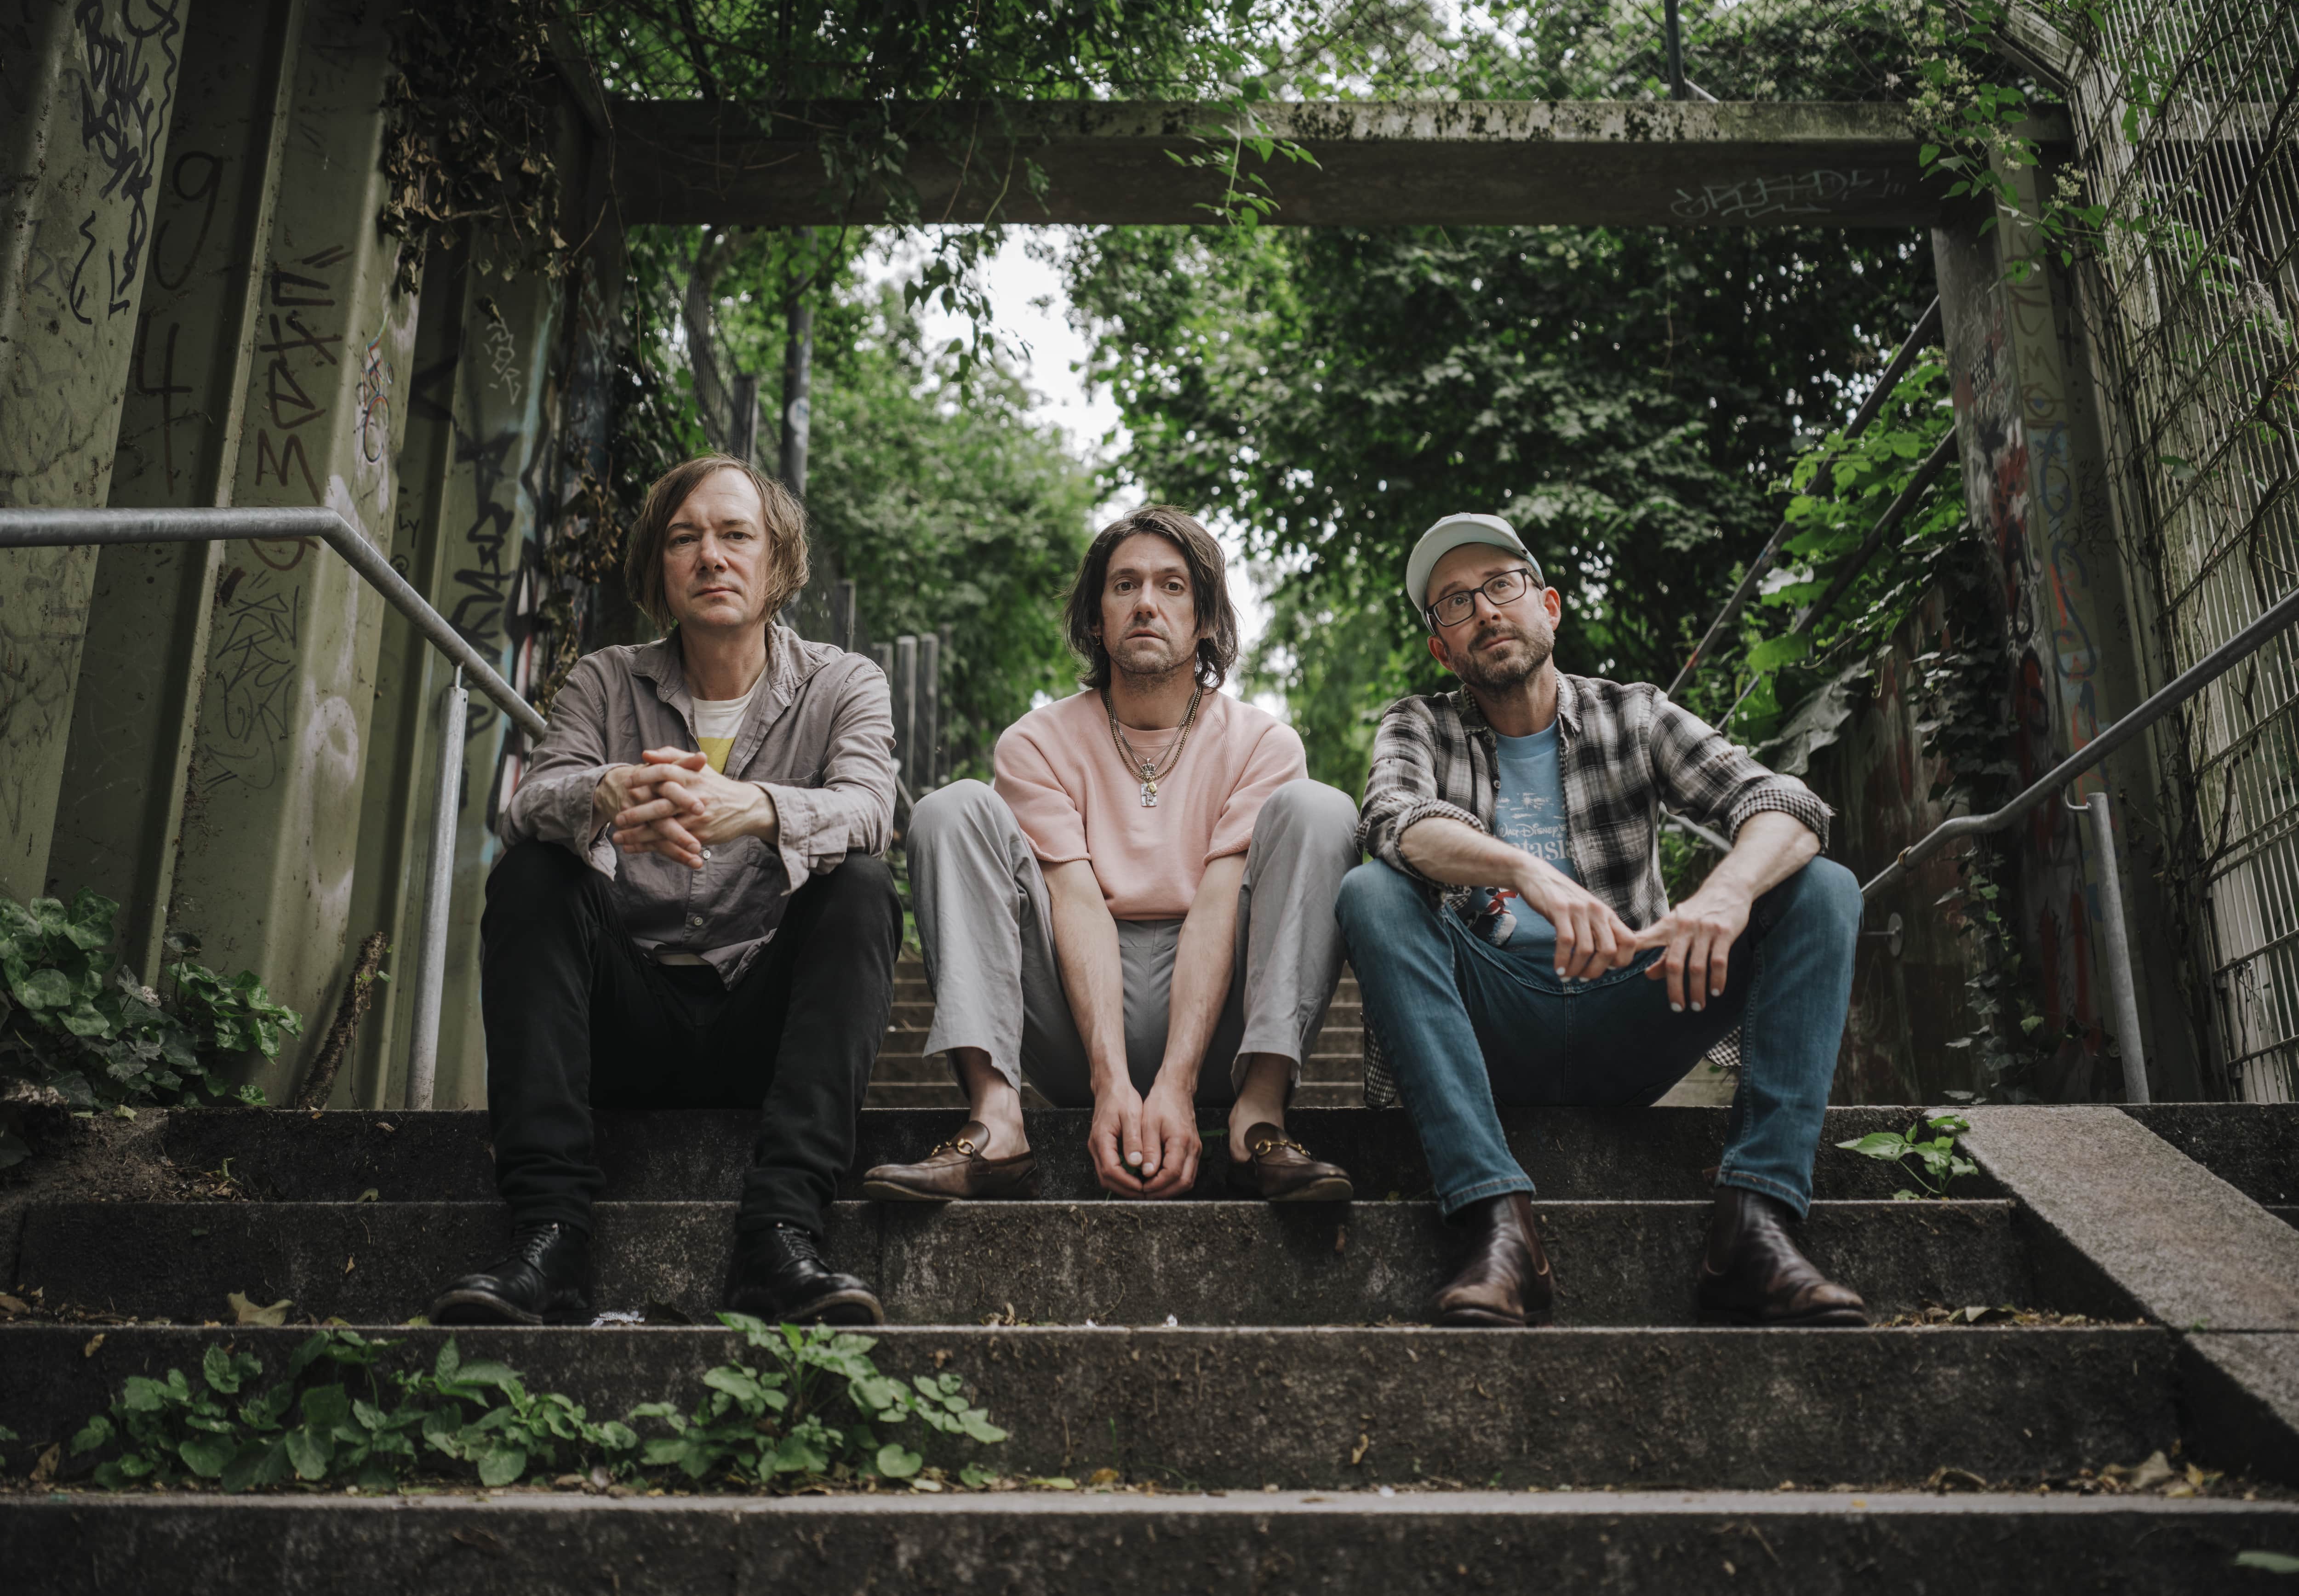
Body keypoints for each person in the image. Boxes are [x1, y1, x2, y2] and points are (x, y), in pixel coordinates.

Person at [1336, 513, 1867, 1328]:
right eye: (1456, 603)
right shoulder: (1420, 725)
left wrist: (1724, 893)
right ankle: (1497, 1225)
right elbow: (1393, 822)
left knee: (1823, 887)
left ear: (1549, 606)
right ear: (1443, 649)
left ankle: (1754, 1224)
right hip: (1492, 1020)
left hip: (1635, 1003)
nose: (1485, 610)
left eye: (1502, 585)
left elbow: (1787, 804)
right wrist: (1524, 870)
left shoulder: (1635, 715)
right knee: (1372, 892)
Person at [428, 454, 901, 1328]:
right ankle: (549, 1237)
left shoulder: (843, 683)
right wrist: (604, 791)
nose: (711, 556)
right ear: (659, 566)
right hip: (626, 1020)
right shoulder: (605, 680)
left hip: (766, 1028)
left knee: (864, 886)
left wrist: (756, 808)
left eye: (735, 535)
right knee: (531, 869)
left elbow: (872, 810)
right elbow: (527, 804)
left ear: (777, 561)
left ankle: (782, 1236)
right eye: (685, 538)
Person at [863, 506, 1360, 1204]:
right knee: (952, 808)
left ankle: (1260, 1120)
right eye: (1125, 585)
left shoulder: (1262, 745)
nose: (1146, 603)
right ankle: (997, 1121)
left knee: (1322, 809)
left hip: (1222, 1021)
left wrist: (1177, 1084)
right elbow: (1076, 902)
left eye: (1172, 586)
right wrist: (1111, 1082)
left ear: (1206, 619)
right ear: (1097, 620)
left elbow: (1219, 908)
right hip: (1073, 1014)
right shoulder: (1036, 743)